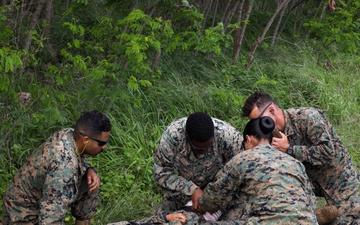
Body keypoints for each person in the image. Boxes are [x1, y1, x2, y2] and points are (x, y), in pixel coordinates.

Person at [242, 91, 360, 224]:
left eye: (261, 120)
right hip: (310, 185)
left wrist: (290, 149)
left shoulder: (308, 118)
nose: (260, 125)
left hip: (339, 181)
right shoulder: (270, 135)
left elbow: (327, 152)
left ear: (271, 110)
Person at [198, 116, 318, 224]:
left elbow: (212, 199)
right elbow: (311, 201)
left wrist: (201, 203)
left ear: (248, 139)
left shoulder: (243, 158)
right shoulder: (295, 163)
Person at [2, 110, 112, 225]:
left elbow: (78, 159)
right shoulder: (64, 169)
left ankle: (83, 221)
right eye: (101, 143)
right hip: (21, 215)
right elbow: (51, 219)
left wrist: (89, 169)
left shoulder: (69, 134)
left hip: (36, 204)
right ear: (85, 140)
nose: (105, 147)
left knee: (91, 179)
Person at [153, 112, 244, 222]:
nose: (203, 153)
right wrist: (191, 189)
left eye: (208, 148)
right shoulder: (173, 137)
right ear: (188, 138)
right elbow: (161, 172)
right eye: (199, 149)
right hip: (186, 188)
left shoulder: (229, 136)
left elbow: (244, 169)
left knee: (234, 220)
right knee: (162, 218)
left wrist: (218, 196)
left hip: (221, 190)